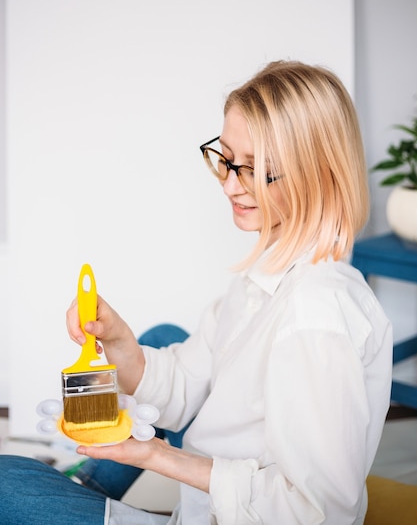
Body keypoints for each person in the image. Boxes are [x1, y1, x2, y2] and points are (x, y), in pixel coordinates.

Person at [0, 60, 393, 524]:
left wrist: (157, 457)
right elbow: (185, 384)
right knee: (166, 336)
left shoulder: (315, 316)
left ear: (320, 174)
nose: (229, 184)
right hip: (208, 501)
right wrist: (119, 337)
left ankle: (82, 487)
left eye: (256, 171)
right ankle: (85, 484)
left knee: (7, 482)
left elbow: (318, 513)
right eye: (226, 159)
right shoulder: (267, 279)